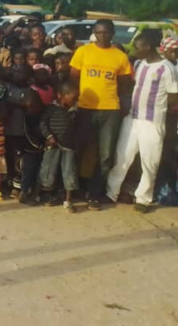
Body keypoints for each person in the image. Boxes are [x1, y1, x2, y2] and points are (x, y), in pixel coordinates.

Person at [106, 29, 178, 212]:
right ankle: (111, 192)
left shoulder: (166, 68)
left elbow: (173, 96)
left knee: (149, 162)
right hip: (132, 119)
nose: (134, 51)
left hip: (152, 122)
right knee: (122, 157)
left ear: (149, 46)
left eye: (138, 48)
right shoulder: (139, 64)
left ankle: (143, 199)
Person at [69, 19, 132, 211]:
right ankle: (74, 188)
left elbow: (124, 85)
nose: (102, 36)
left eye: (106, 32)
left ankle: (94, 193)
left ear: (112, 33)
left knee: (106, 154)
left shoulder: (120, 56)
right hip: (85, 108)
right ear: (94, 33)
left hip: (110, 110)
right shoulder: (83, 52)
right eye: (98, 32)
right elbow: (73, 78)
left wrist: (121, 107)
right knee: (80, 150)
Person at [39, 83, 79, 213]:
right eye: (72, 98)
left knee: (69, 172)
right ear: (60, 96)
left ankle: (68, 200)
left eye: (76, 98)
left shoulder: (75, 111)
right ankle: (47, 195)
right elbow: (43, 123)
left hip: (69, 146)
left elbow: (77, 129)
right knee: (48, 170)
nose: (75, 101)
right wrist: (49, 136)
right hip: (53, 144)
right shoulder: (52, 108)